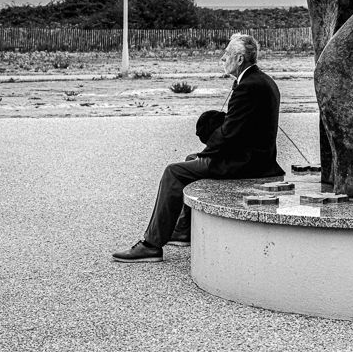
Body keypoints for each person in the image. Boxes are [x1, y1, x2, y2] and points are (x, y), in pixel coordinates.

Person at [111, 33, 284, 263]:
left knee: (173, 171)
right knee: (190, 159)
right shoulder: (261, 80)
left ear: (240, 59)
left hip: (247, 163)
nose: (223, 58)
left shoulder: (249, 86)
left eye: (227, 54)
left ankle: (151, 244)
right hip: (255, 158)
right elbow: (240, 127)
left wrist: (207, 150)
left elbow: (229, 134)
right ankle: (182, 231)